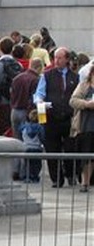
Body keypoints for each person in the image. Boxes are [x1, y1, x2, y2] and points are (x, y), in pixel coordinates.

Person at [34, 47, 80, 187]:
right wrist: (39, 102)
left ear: (67, 59)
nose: (56, 61)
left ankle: (71, 175)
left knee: (70, 147)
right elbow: (39, 93)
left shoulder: (75, 77)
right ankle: (56, 178)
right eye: (55, 58)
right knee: (52, 148)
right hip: (51, 117)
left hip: (68, 118)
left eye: (60, 58)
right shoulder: (47, 76)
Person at [69, 69, 94, 193]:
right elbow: (73, 101)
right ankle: (85, 182)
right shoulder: (84, 85)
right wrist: (86, 104)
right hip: (85, 124)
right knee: (86, 153)